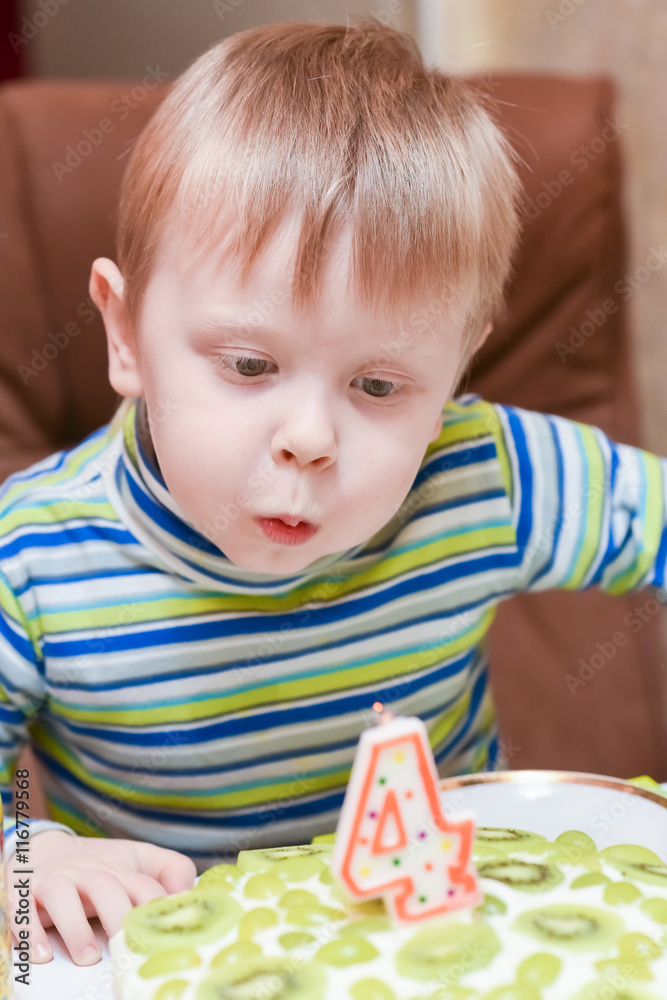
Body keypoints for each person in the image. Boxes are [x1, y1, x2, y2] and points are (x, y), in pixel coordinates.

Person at [0, 19, 665, 967]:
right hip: (181, 967)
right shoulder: (31, 558)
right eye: (249, 363)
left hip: (449, 952)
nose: (309, 439)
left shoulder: (489, 478)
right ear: (125, 337)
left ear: (450, 384)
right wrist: (26, 854)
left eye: (380, 386)